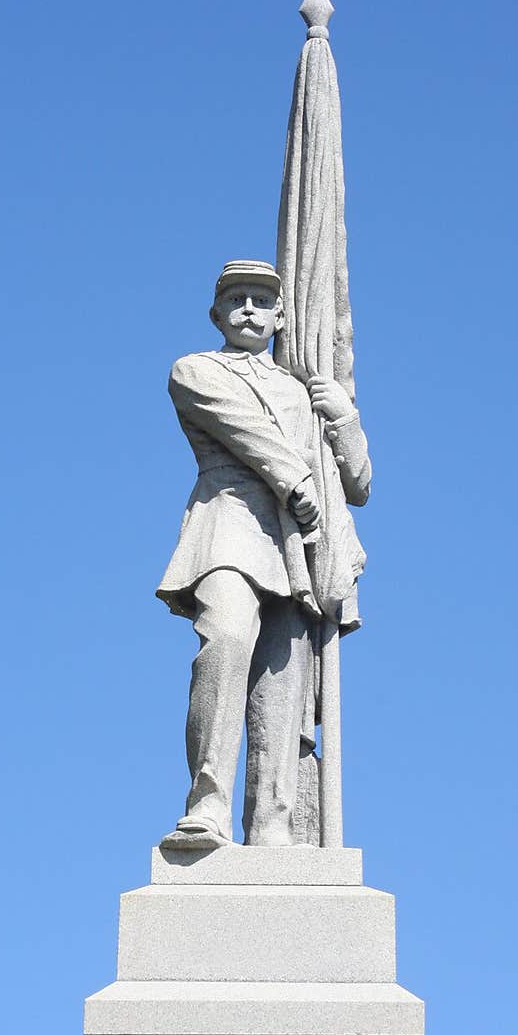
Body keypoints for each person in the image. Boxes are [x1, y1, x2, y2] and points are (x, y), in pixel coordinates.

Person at [156, 260, 371, 848]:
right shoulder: (196, 370)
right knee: (224, 640)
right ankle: (208, 806)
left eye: (261, 300)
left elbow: (357, 485)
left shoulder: (302, 392)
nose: (249, 309)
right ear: (217, 314)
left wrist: (343, 417)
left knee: (283, 688)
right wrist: (296, 481)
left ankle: (273, 824)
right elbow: (248, 431)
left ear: (280, 316)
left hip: (298, 545)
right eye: (238, 299)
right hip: (231, 525)